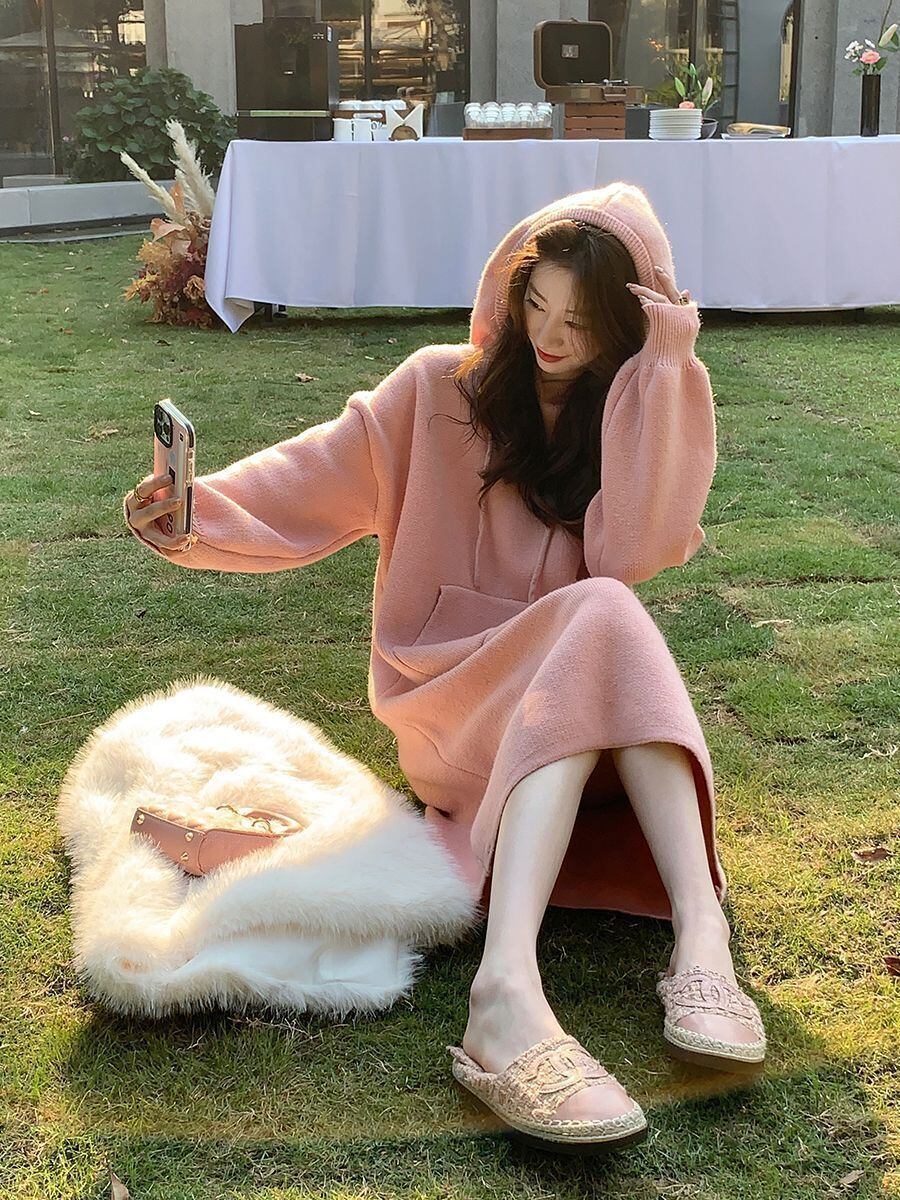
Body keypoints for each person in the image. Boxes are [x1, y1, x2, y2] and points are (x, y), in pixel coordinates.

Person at [123, 182, 766, 1154]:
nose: (549, 337)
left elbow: (637, 548)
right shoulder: (435, 390)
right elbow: (311, 478)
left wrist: (666, 370)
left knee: (606, 608)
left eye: (581, 323)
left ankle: (699, 940)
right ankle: (508, 987)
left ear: (624, 329)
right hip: (453, 711)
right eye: (535, 305)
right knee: (603, 614)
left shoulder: (627, 411)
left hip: (575, 731)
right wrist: (189, 514)